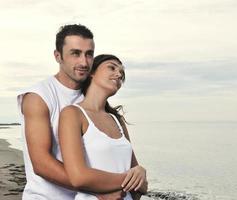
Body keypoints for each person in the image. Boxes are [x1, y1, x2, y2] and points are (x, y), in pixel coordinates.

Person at [17, 24, 139, 200]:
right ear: (58, 56)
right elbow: (41, 163)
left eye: (89, 54)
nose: (84, 62)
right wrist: (100, 190)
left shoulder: (91, 98)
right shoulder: (39, 97)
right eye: (75, 53)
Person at [58, 54, 148, 200]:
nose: (119, 74)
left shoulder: (117, 120)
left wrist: (141, 172)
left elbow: (140, 185)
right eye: (112, 67)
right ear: (91, 72)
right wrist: (130, 181)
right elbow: (78, 176)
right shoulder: (72, 114)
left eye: (122, 73)